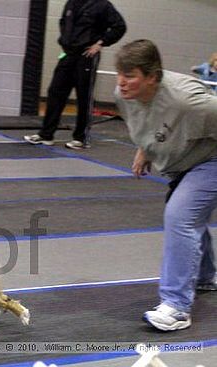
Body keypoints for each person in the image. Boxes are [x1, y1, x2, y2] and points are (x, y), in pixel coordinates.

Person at [114, 39, 217, 331]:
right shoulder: (124, 95)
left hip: (211, 160)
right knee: (187, 215)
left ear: (153, 77)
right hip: (183, 161)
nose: (121, 83)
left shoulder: (189, 101)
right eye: (120, 73)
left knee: (180, 216)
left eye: (130, 75)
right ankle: (206, 277)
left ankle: (177, 307)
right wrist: (145, 148)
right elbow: (151, 122)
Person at [24, 0, 126, 149]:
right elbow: (63, 22)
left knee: (84, 96)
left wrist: (100, 44)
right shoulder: (71, 3)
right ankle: (46, 134)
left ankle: (81, 138)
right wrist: (65, 42)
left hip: (87, 55)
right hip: (68, 53)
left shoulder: (102, 5)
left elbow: (120, 26)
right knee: (55, 92)